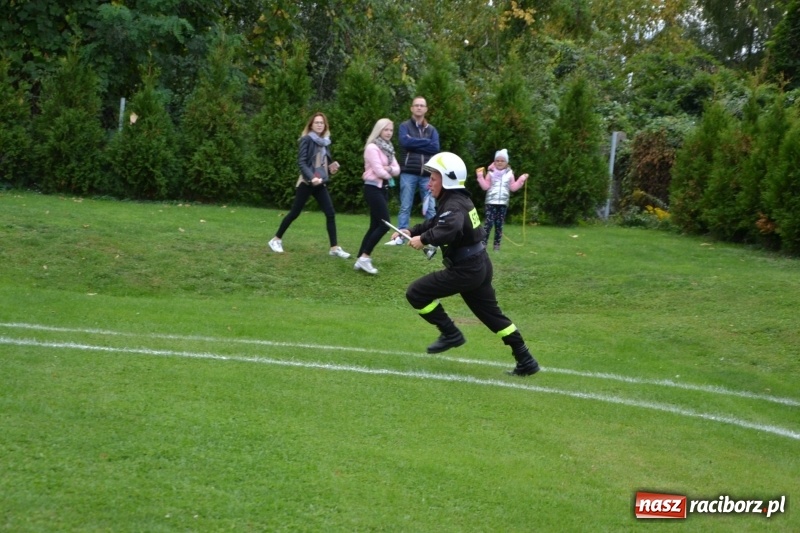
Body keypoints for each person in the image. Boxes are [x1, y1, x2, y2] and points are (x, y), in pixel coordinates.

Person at [390, 152, 540, 377]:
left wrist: (424, 240)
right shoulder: (456, 200)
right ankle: (525, 359)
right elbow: (436, 222)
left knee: (416, 293)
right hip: (477, 265)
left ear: (448, 179)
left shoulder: (455, 204)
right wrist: (411, 231)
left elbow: (448, 228)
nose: (429, 183)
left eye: (434, 178)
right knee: (493, 316)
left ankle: (450, 333)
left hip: (467, 268)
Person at [268, 112, 350, 259]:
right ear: (311, 125)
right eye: (316, 122)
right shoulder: (306, 139)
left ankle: (334, 248)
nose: (319, 124)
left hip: (320, 183)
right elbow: (302, 162)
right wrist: (311, 178)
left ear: (325, 126)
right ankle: (276, 240)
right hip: (307, 182)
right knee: (295, 212)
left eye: (322, 123)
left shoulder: (325, 142)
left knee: (330, 213)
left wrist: (331, 168)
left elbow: (321, 163)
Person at [386, 96, 440, 245]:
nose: (419, 108)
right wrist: (425, 142)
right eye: (416, 105)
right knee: (405, 206)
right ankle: (400, 237)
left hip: (427, 175)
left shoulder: (432, 129)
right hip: (408, 172)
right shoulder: (404, 126)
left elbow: (435, 147)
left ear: (426, 109)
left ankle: (434, 237)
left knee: (430, 208)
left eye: (422, 105)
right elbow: (404, 142)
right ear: (411, 108)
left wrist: (414, 143)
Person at [354, 118, 401, 275]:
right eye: (386, 129)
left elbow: (397, 169)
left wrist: (387, 169)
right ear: (379, 130)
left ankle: (361, 257)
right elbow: (379, 171)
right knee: (384, 224)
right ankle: (365, 257)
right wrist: (388, 169)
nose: (388, 133)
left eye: (391, 130)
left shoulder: (388, 148)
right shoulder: (372, 148)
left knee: (375, 225)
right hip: (372, 188)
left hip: (383, 189)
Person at [476, 148, 528, 251]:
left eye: (502, 160)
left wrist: (521, 179)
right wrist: (480, 177)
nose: (499, 162)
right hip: (491, 202)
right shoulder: (490, 173)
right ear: (494, 162)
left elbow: (513, 187)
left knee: (499, 225)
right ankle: (483, 244)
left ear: (506, 162)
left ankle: (496, 246)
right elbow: (485, 187)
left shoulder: (510, 174)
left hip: (503, 203)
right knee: (488, 224)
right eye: (497, 160)